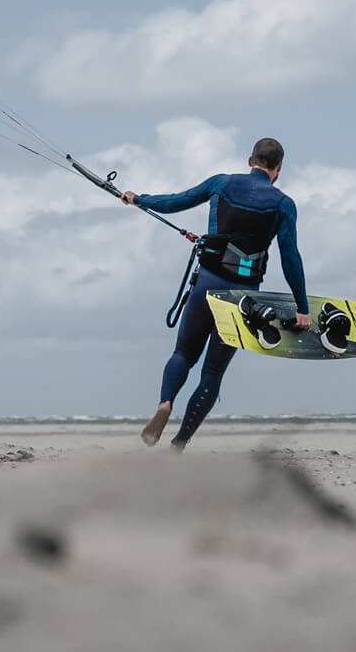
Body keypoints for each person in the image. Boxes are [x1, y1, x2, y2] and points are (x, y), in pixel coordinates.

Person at [122, 137, 310, 449]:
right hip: (242, 299)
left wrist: (138, 199)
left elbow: (177, 201)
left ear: (250, 161)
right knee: (211, 374)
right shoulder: (283, 204)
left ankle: (165, 404)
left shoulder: (221, 184)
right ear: (278, 168)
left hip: (206, 284)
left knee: (183, 354)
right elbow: (291, 259)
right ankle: (179, 444)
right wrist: (302, 307)